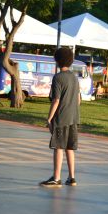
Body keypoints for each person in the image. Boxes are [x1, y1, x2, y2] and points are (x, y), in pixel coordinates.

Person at [40, 47, 81, 187]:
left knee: (58, 147)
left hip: (61, 117)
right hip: (74, 117)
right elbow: (79, 100)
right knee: (70, 148)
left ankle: (56, 178)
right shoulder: (75, 78)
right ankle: (72, 177)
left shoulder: (58, 77)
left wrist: (49, 118)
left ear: (57, 60)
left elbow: (56, 100)